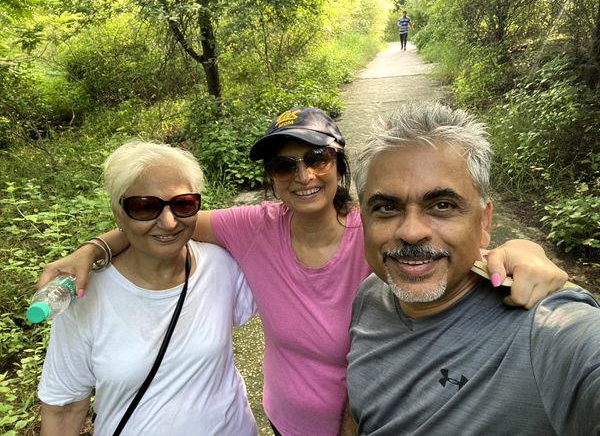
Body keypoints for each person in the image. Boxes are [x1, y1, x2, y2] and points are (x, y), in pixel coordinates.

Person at [37, 107, 569, 436]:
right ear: (269, 178)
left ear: (340, 165)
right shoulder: (252, 228)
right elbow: (163, 222)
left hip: (374, 422)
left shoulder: (383, 228)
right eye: (283, 164)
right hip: (285, 422)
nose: (303, 174)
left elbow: (455, 255)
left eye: (317, 157)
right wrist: (92, 251)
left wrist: (522, 250)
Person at [345, 103, 600, 435]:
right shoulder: (372, 292)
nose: (410, 231)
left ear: (484, 222)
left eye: (441, 205)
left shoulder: (546, 328)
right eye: (386, 207)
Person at [38, 142, 257, 436]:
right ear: (118, 212)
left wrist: (95, 247)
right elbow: (63, 407)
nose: (168, 222)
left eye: (183, 203)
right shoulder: (84, 297)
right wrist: (92, 250)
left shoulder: (222, 265)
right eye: (145, 206)